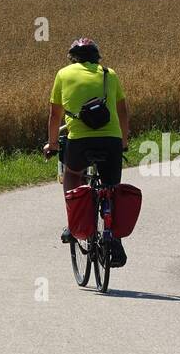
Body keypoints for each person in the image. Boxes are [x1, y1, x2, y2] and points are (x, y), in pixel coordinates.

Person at [43, 37, 130, 261]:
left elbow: (55, 115)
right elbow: (122, 112)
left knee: (73, 174)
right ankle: (114, 237)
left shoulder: (63, 74)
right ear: (97, 58)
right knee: (111, 187)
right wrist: (124, 141)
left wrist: (52, 144)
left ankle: (74, 224)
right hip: (111, 140)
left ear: (73, 58)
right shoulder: (109, 74)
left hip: (80, 141)